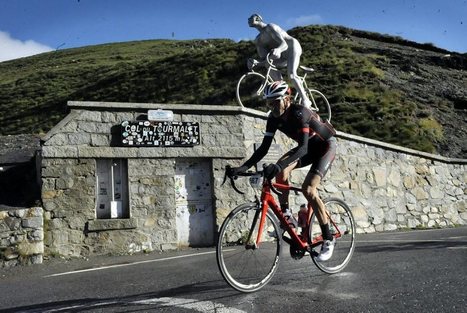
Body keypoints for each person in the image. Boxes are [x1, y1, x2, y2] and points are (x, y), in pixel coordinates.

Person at [229, 81, 337, 262]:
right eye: (268, 103)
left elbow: (302, 148)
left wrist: (278, 166)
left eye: (275, 102)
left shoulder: (300, 113)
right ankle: (286, 216)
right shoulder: (273, 118)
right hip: (309, 148)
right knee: (281, 169)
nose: (272, 107)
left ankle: (328, 238)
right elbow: (263, 149)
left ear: (287, 99)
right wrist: (243, 168)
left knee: (309, 189)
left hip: (325, 146)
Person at [248, 13, 312, 108]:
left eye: (251, 17)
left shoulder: (270, 27)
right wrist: (257, 63)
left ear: (258, 18)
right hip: (280, 55)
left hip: (291, 47)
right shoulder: (258, 40)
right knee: (268, 66)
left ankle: (306, 99)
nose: (248, 19)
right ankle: (282, 90)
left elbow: (284, 44)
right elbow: (266, 60)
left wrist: (278, 49)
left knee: (292, 75)